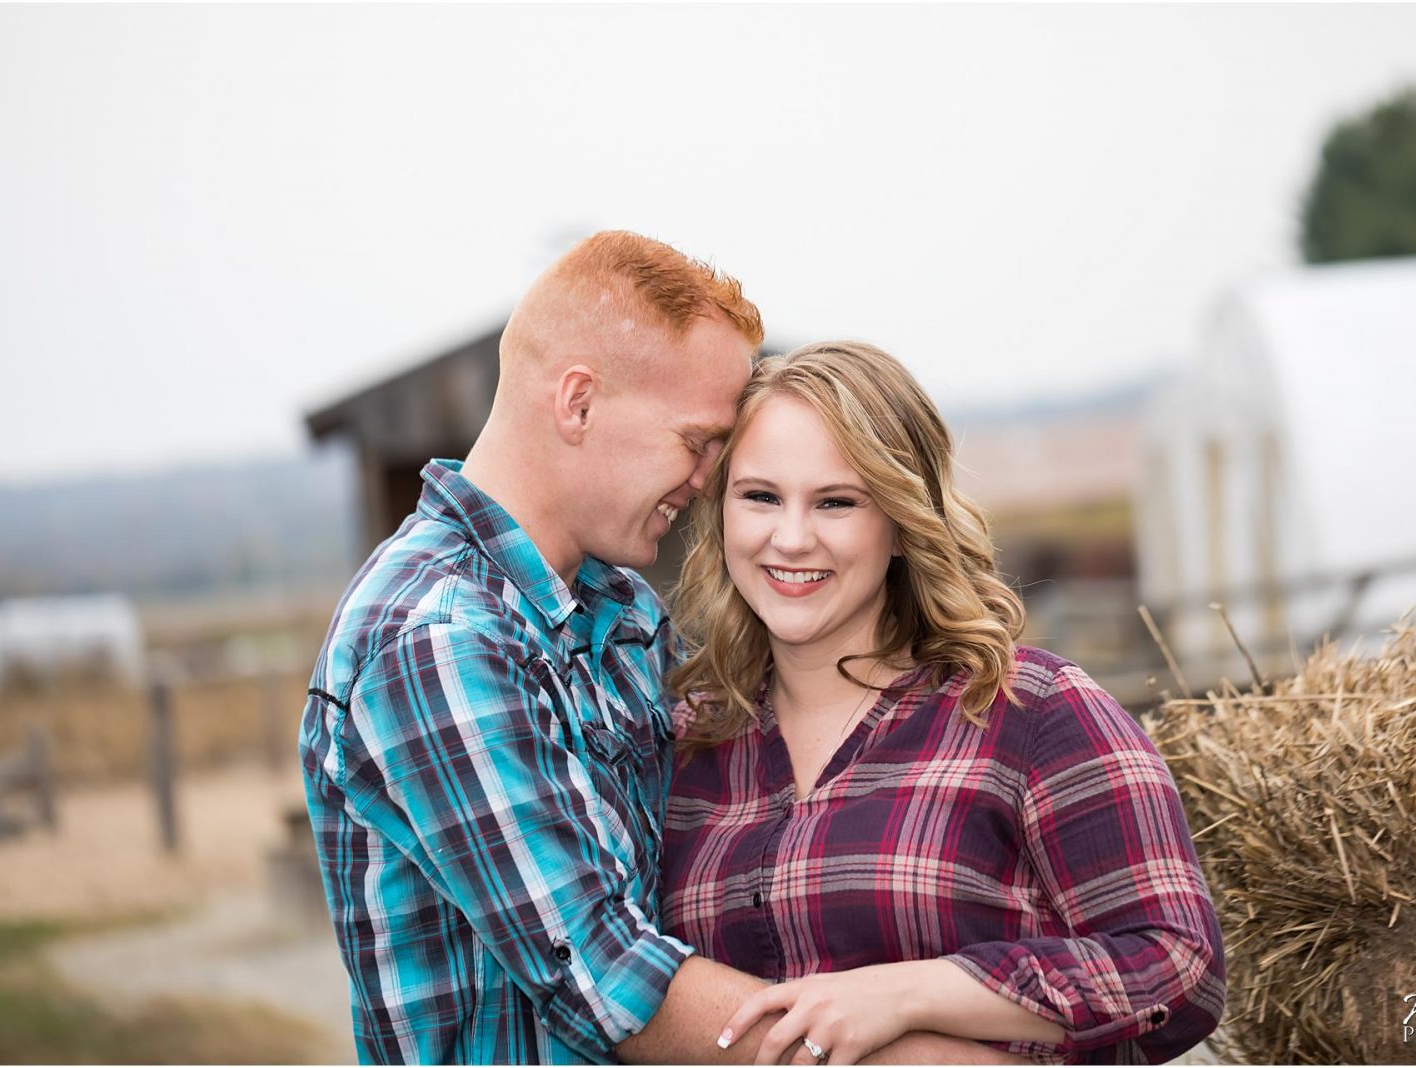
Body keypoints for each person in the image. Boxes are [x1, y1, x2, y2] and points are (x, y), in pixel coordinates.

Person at [299, 234, 1015, 1066]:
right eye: (696, 440)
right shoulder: (437, 639)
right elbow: (608, 980)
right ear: (578, 403)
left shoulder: (619, 611)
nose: (710, 479)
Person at [662, 340, 1227, 1065]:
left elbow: (1178, 967)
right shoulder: (685, 746)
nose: (791, 537)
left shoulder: (1033, 711)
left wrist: (913, 993)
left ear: (900, 522)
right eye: (761, 497)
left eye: (837, 502)